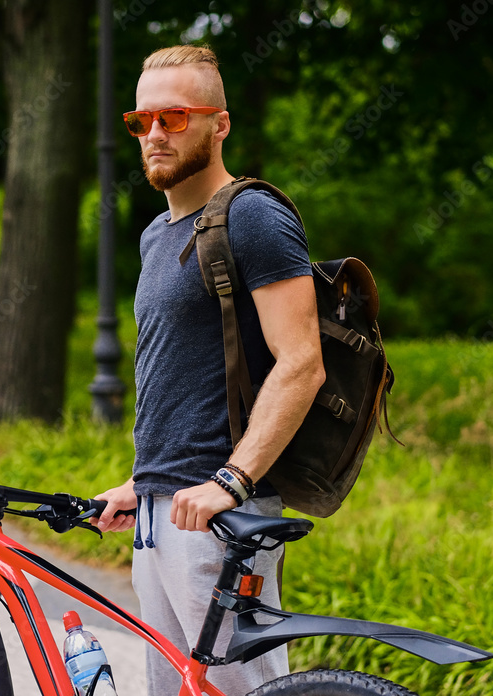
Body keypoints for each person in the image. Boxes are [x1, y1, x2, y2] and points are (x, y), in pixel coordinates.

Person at [93, 45, 326, 695]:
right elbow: (183, 378)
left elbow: (301, 363)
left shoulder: (252, 216)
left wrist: (233, 480)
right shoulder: (155, 235)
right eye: (141, 122)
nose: (155, 135)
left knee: (244, 690)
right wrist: (144, 482)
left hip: (222, 518)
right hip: (161, 512)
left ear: (219, 125)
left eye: (174, 117)